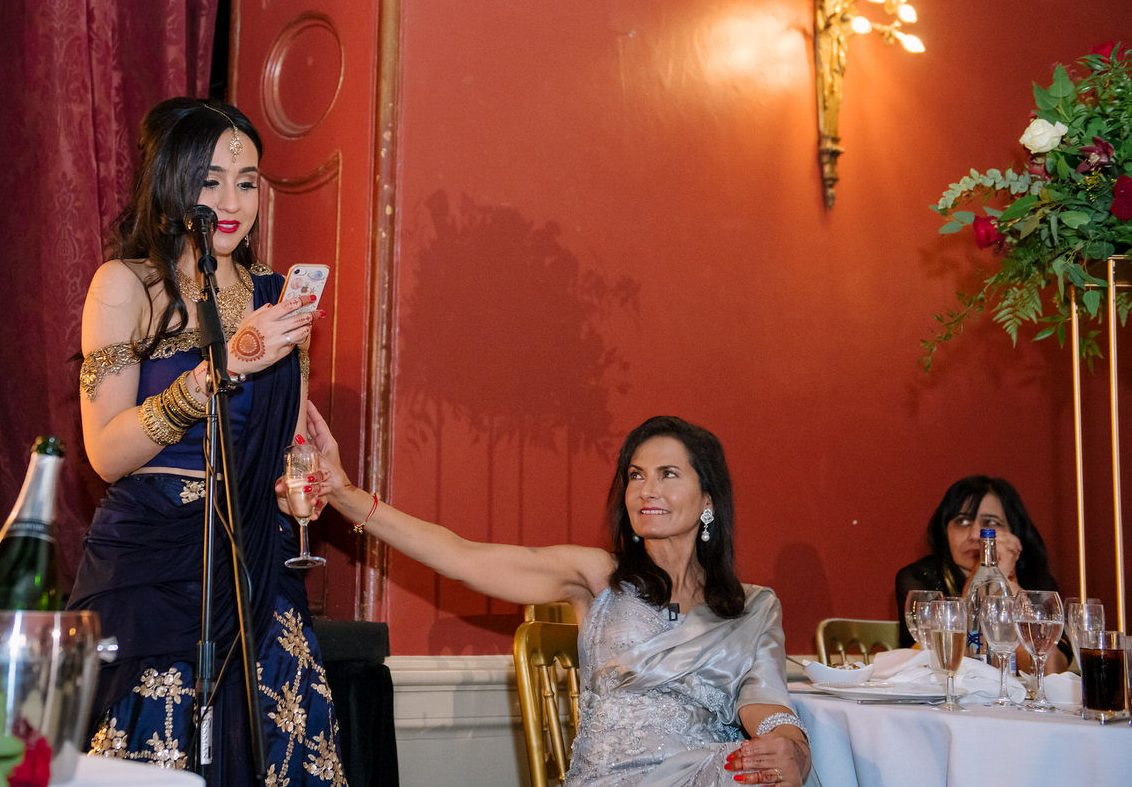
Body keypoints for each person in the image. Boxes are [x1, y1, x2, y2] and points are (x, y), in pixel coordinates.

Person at [306, 409, 815, 787]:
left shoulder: (752, 606)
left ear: (709, 499)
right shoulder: (599, 577)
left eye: (668, 475)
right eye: (636, 475)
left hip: (706, 774)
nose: (645, 490)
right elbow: (461, 557)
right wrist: (343, 492)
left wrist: (790, 748)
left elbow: (766, 704)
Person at [67, 98, 345, 786]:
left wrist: (300, 486)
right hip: (153, 562)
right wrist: (215, 374)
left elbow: (282, 447)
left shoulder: (279, 300)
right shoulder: (127, 286)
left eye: (247, 181)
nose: (231, 200)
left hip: (254, 564)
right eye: (210, 178)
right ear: (169, 184)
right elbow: (105, 452)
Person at [894, 475, 1069, 671]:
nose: (976, 535)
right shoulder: (919, 577)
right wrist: (983, 578)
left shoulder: (1038, 582)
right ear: (945, 531)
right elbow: (938, 662)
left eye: (990, 523)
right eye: (962, 521)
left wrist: (1006, 581)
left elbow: (1048, 669)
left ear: (1014, 531)